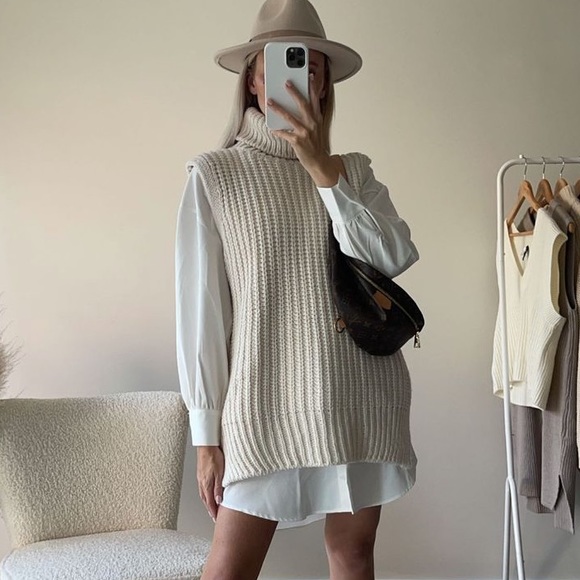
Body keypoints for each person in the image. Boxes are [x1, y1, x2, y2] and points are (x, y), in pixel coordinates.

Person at [175, 0, 420, 578]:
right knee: (230, 568)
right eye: (282, 64)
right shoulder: (215, 175)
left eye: (311, 67)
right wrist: (206, 436)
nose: (298, 77)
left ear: (325, 83)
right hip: (264, 403)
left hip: (360, 396)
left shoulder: (353, 172)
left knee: (353, 555)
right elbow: (201, 313)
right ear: (253, 80)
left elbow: (394, 257)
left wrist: (321, 169)